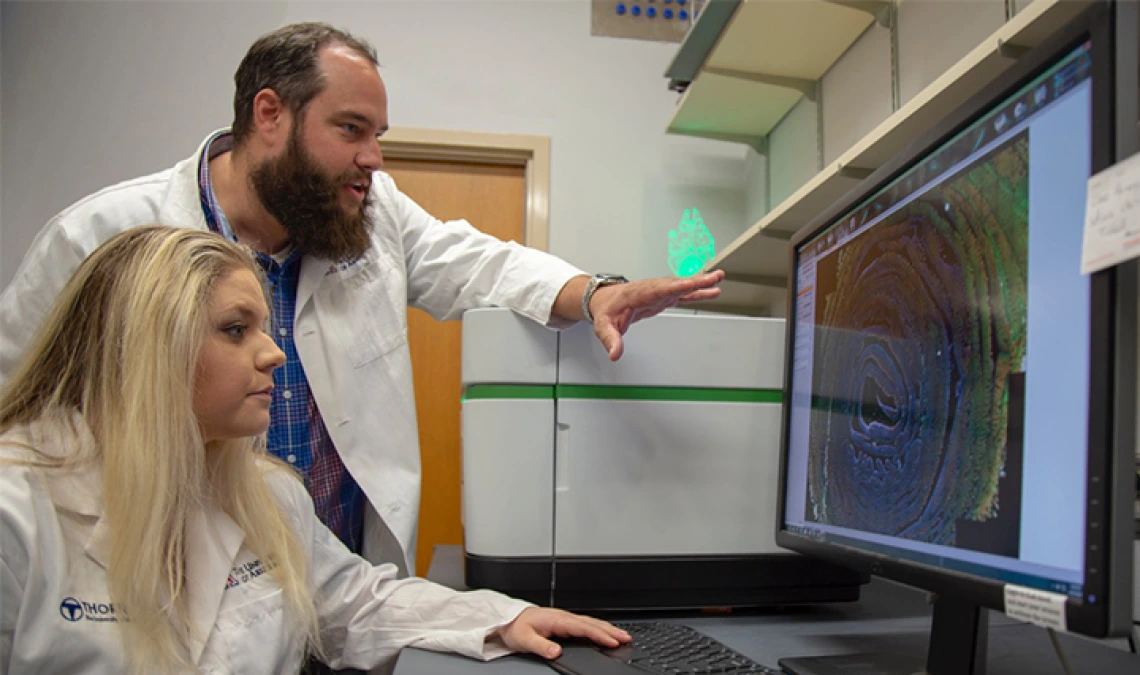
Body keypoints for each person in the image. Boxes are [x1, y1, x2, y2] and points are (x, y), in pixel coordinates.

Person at [0, 22, 724, 579]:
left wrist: (595, 291)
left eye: (377, 135)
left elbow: (474, 261)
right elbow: (17, 417)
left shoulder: (370, 214)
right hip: (175, 595)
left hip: (346, 589)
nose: (373, 158)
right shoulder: (105, 235)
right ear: (270, 113)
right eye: (351, 129)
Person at [0, 226, 631, 674]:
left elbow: (354, 603)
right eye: (235, 330)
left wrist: (499, 621)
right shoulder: (17, 516)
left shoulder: (264, 492)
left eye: (265, 330)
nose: (274, 354)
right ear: (143, 347)